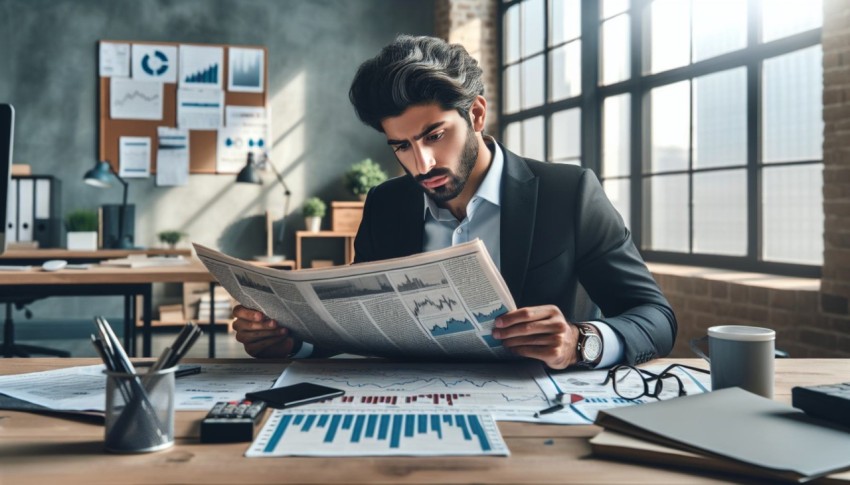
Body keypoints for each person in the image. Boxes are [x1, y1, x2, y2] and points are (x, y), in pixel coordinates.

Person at [233, 35, 677, 370]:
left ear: (476, 114)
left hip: (538, 411)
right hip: (408, 409)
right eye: (401, 146)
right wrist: (292, 341)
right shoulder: (386, 204)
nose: (421, 163)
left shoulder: (569, 193)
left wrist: (580, 342)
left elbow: (656, 318)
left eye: (434, 135)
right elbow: (363, 323)